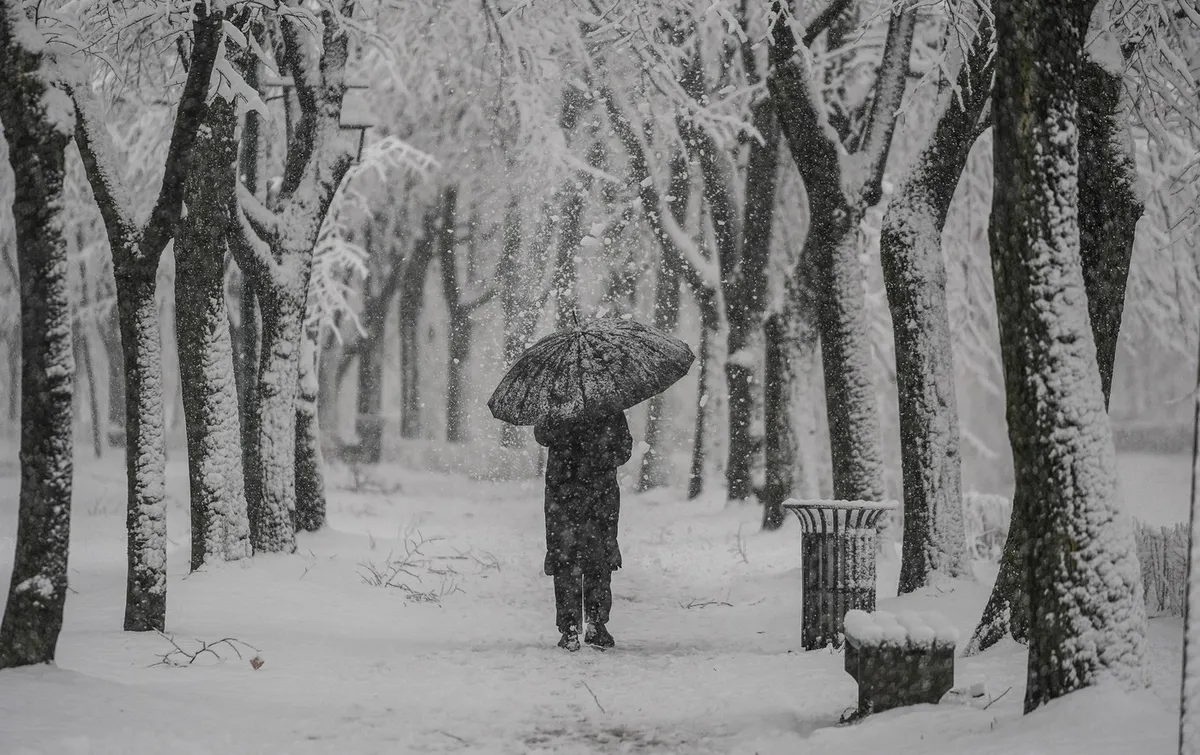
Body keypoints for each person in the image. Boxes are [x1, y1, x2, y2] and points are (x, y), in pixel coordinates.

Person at [534, 410, 632, 651]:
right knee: (597, 557)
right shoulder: (608, 402)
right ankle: (596, 624)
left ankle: (570, 628)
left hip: (563, 491)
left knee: (566, 557)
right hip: (599, 493)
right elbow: (623, 450)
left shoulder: (556, 401)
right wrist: (600, 449)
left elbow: (542, 434)